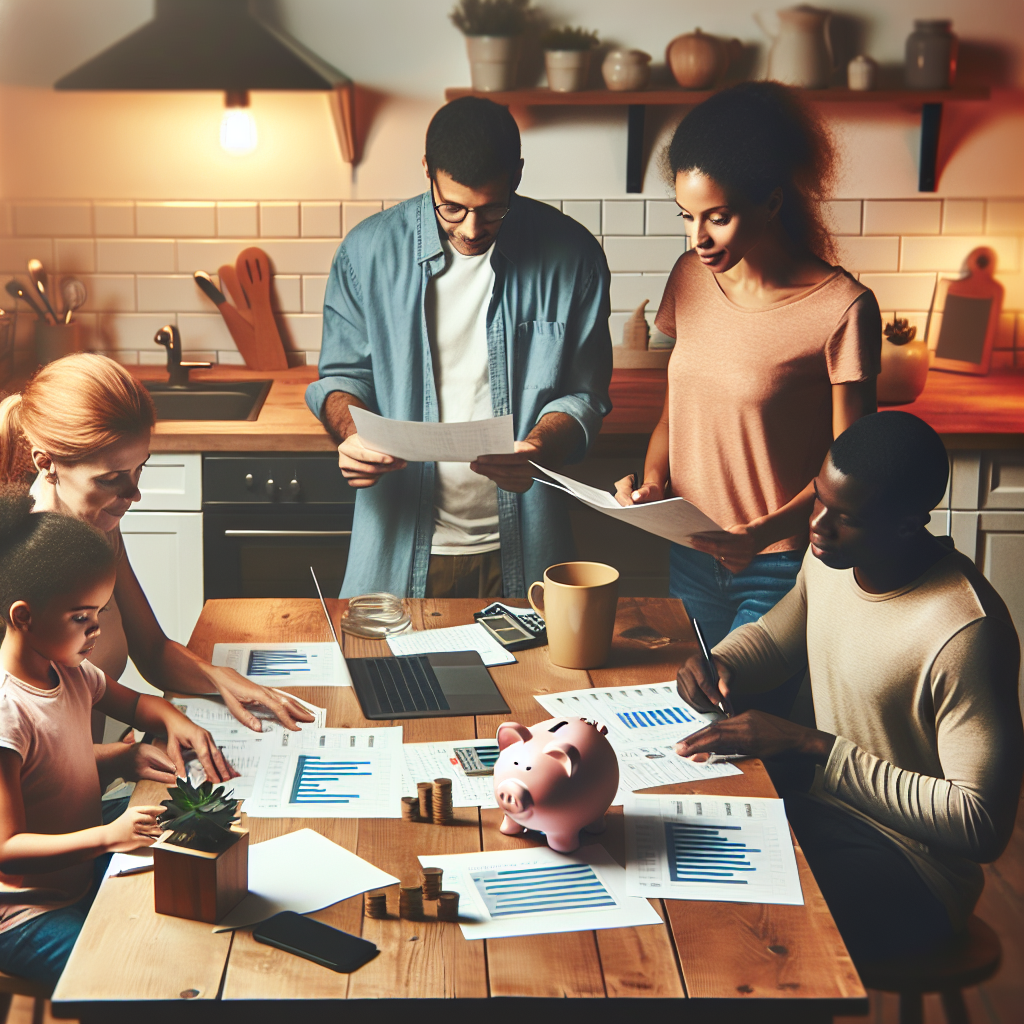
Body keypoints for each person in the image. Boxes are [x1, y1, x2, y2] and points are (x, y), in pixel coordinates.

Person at [674, 412, 1023, 962]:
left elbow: (979, 823)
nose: (817, 527)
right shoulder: (831, 561)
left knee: (736, 930)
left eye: (845, 518)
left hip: (914, 871)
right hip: (821, 812)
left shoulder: (966, 632)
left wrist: (814, 746)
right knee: (675, 854)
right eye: (817, 500)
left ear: (910, 524)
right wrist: (720, 662)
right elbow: (776, 638)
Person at [615, 82, 880, 708]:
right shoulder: (691, 280)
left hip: (781, 565)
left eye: (717, 216)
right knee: (692, 729)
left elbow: (854, 471)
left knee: (740, 722)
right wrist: (652, 482)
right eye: (687, 216)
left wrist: (762, 534)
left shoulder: (842, 309)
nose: (697, 239)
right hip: (690, 554)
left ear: (771, 202)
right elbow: (676, 412)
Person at [307, 96, 612, 598]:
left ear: (517, 174)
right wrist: (350, 432)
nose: (472, 229)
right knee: (387, 676)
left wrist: (538, 446)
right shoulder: (367, 252)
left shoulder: (573, 255)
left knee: (535, 678)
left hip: (529, 543)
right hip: (396, 544)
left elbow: (583, 395)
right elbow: (342, 378)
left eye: (493, 208)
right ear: (427, 170)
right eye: (452, 207)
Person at [0, 354, 315, 734]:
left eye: (139, 468)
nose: (134, 493)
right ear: (46, 462)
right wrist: (125, 757)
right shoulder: (21, 566)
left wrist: (220, 679)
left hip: (101, 779)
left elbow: (150, 649)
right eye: (111, 478)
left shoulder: (99, 530)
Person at [0, 488, 235, 988]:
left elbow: (134, 704)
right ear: (24, 617)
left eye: (101, 615)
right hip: (25, 913)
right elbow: (7, 847)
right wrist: (110, 835)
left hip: (77, 863)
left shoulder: (69, 671)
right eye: (81, 618)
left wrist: (167, 725)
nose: (96, 632)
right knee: (132, 978)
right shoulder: (6, 714)